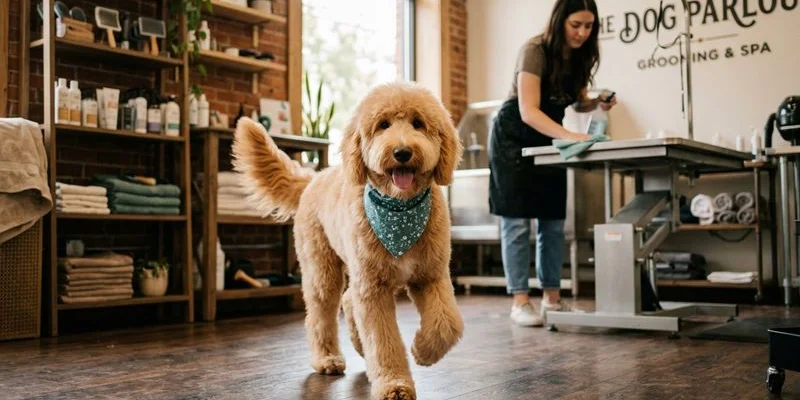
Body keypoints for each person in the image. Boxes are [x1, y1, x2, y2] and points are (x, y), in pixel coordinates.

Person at [488, 0, 617, 327]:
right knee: (517, 223)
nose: (582, 33)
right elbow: (529, 111)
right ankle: (520, 302)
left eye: (588, 26)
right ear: (560, 21)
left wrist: (596, 102)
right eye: (576, 25)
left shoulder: (579, 56)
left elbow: (575, 102)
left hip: (548, 137)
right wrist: (569, 135)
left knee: (553, 221)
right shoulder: (534, 51)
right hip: (514, 138)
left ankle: (552, 300)